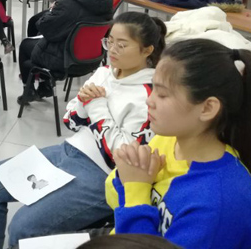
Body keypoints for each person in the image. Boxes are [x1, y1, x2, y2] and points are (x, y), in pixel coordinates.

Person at [0, 11, 166, 249]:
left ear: (147, 50)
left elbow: (120, 157)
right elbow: (70, 120)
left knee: (23, 227)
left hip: (102, 174)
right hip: (69, 150)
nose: (112, 50)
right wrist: (85, 105)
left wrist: (96, 106)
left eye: (122, 44)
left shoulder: (148, 95)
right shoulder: (105, 72)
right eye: (109, 42)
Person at [106, 39, 251, 248]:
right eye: (152, 88)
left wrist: (136, 188)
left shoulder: (219, 201)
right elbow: (113, 195)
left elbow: (130, 196)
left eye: (162, 94)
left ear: (207, 108)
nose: (149, 100)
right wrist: (127, 176)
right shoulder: (168, 139)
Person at [18, 0, 113, 104]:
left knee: (25, 46)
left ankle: (31, 89)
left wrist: (52, 10)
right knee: (30, 58)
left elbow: (45, 28)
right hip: (93, 59)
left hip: (65, 60)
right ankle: (43, 85)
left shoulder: (69, 2)